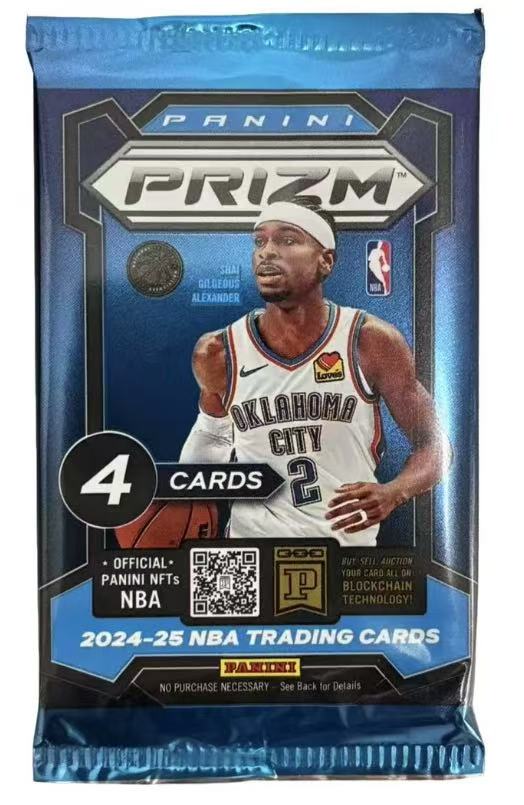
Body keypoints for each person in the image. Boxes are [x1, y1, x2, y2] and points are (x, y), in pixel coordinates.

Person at [180, 199, 449, 546]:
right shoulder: (218, 351)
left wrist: (394, 492)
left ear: (326, 260)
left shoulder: (369, 341)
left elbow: (436, 446)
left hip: (345, 558)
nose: (267, 252)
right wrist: (183, 508)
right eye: (260, 241)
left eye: (288, 240)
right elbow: (212, 439)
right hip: (251, 552)